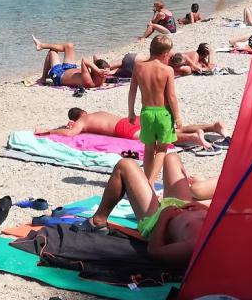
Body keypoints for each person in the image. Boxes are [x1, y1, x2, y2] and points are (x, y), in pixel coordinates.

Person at [83, 153, 212, 264]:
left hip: (157, 221)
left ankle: (97, 221)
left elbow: (155, 252)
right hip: (183, 206)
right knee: (172, 158)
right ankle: (150, 186)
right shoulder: (223, 231)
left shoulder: (193, 246)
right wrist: (201, 207)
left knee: (125, 164)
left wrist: (164, 217)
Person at [128, 35, 180, 186]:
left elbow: (132, 91)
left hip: (146, 113)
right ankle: (151, 182)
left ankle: (145, 180)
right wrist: (177, 118)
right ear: (165, 54)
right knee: (162, 149)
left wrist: (131, 112)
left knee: (149, 148)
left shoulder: (138, 67)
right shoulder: (167, 70)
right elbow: (171, 96)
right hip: (163, 113)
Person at [35, 108, 225, 149]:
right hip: (130, 119)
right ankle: (211, 127)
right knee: (169, 131)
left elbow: (69, 133)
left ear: (76, 118)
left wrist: (50, 130)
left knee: (153, 139)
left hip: (123, 128)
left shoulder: (82, 121)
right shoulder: (97, 113)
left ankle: (193, 137)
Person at [32, 37, 109, 89]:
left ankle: (43, 78)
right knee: (69, 45)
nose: (106, 75)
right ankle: (41, 45)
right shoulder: (100, 77)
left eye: (105, 74)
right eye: (105, 72)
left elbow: (84, 60)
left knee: (52, 52)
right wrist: (98, 69)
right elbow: (95, 56)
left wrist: (98, 70)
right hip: (71, 68)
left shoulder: (90, 82)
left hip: (59, 75)